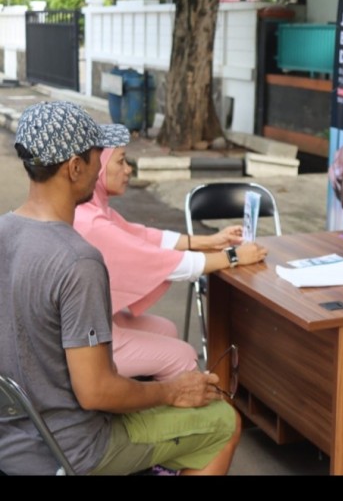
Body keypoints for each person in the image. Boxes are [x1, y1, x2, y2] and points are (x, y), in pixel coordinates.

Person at [0, 101, 240, 475]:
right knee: (223, 422)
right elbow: (96, 391)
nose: (101, 166)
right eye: (97, 154)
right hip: (72, 448)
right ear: (75, 167)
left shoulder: (5, 231)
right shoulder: (78, 260)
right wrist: (172, 391)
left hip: (11, 441)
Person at [73, 144, 268, 381]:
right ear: (99, 166)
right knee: (184, 356)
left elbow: (143, 236)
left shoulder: (92, 209)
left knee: (167, 329)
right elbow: (158, 259)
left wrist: (210, 240)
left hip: (96, 324)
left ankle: (153, 403)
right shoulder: (92, 222)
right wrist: (233, 257)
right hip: (90, 338)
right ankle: (167, 409)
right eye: (121, 161)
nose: (128, 170)